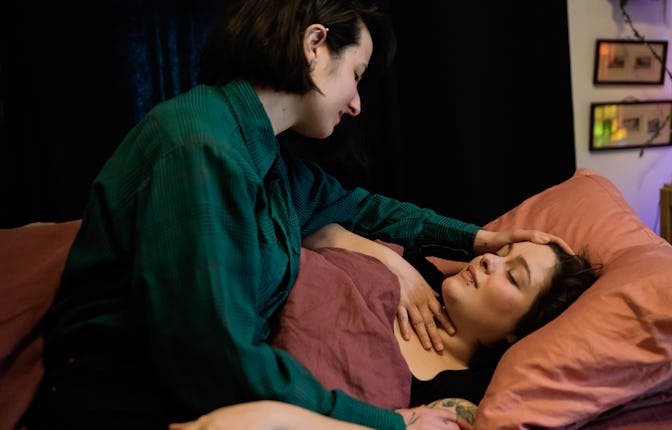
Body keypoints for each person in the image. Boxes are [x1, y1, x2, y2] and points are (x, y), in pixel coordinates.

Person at [26, 1, 576, 429]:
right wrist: (387, 421)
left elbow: (370, 209)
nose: (357, 103)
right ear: (315, 46)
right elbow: (217, 362)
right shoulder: (199, 148)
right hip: (122, 399)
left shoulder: (270, 161)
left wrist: (479, 238)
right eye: (356, 73)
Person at [168, 224, 600, 430]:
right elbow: (308, 229)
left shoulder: (462, 395)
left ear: (518, 332)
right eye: (502, 251)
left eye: (513, 275)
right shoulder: (420, 271)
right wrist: (394, 263)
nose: (491, 260)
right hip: (215, 321)